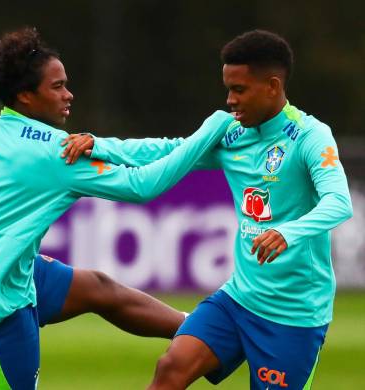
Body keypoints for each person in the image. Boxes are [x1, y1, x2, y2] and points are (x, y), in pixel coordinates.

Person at [0, 27, 233, 389]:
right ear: (25, 96)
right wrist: (214, 126)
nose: (69, 94)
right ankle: (212, 338)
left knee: (97, 288)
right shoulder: (56, 152)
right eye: (57, 86)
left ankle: (205, 336)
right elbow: (143, 185)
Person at [62, 30, 353, 390]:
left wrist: (286, 231)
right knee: (171, 367)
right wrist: (102, 145)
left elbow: (339, 202)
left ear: (273, 86)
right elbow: (170, 150)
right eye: (228, 89)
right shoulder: (233, 134)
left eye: (240, 90)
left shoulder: (310, 136)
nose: (230, 100)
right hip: (239, 299)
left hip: (294, 315)